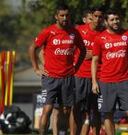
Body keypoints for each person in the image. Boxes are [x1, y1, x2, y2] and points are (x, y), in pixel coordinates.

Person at [29, 4, 84, 135]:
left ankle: (60, 133)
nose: (65, 18)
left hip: (67, 78)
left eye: (67, 15)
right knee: (47, 109)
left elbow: (83, 50)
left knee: (65, 110)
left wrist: (76, 67)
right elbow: (32, 48)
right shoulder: (48, 32)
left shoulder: (74, 32)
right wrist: (36, 68)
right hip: (50, 78)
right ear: (56, 17)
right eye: (62, 15)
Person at [91, 9, 128, 135]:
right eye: (112, 19)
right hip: (106, 82)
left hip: (125, 81)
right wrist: (94, 82)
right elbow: (95, 61)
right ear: (107, 21)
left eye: (117, 19)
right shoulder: (100, 38)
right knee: (108, 114)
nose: (115, 22)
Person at [72, 7, 104, 135]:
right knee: (77, 109)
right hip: (79, 75)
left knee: (96, 110)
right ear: (90, 16)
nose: (97, 19)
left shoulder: (105, 33)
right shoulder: (79, 31)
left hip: (99, 76)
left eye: (100, 17)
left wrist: (95, 55)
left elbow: (110, 53)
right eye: (95, 16)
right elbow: (69, 48)